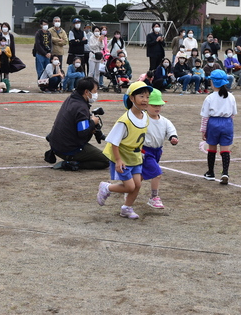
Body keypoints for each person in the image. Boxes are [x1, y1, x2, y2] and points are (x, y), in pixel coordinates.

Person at [96, 81, 152, 219]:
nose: (145, 100)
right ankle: (106, 187)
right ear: (132, 98)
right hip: (122, 157)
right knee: (129, 187)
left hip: (135, 157)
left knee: (137, 184)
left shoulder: (145, 116)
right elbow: (114, 142)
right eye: (141, 96)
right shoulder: (124, 120)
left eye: (147, 96)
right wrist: (118, 160)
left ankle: (126, 208)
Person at [47, 77, 110, 170]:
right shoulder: (81, 107)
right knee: (105, 161)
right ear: (86, 92)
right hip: (68, 148)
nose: (96, 94)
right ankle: (71, 164)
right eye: (95, 91)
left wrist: (90, 124)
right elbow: (83, 132)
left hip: (57, 144)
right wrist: (93, 122)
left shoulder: (72, 98)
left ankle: (70, 158)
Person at [142, 89, 178, 209]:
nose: (157, 108)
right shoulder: (142, 119)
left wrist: (173, 137)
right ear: (146, 105)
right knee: (157, 173)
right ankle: (154, 197)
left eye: (159, 105)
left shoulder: (164, 121)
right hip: (145, 151)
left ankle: (125, 189)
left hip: (157, 151)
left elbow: (171, 130)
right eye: (154, 105)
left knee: (140, 176)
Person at [201, 69, 237, 184]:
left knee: (212, 148)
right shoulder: (231, 96)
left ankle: (211, 172)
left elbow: (205, 117)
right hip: (227, 123)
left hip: (213, 123)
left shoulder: (210, 97)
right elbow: (233, 114)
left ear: (212, 82)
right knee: (225, 149)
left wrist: (203, 130)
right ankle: (225, 172)